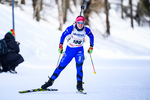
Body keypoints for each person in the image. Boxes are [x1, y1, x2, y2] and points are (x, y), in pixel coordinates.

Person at [41, 16, 94, 92]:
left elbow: (92, 36)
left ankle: (79, 85)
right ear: (76, 22)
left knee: (79, 67)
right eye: (79, 23)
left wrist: (91, 47)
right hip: (69, 51)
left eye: (82, 23)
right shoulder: (71, 28)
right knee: (60, 67)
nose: (80, 25)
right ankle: (50, 82)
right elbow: (63, 35)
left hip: (79, 50)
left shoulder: (86, 29)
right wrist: (60, 45)